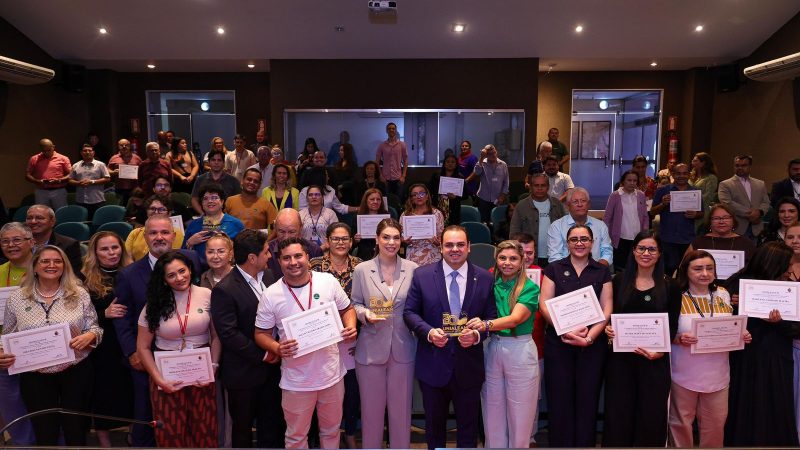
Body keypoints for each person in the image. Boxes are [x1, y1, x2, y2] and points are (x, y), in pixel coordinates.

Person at [254, 237, 358, 449]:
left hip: (331, 376)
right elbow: (260, 334)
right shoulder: (271, 295)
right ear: (279, 262)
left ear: (308, 257)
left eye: (298, 256)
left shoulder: (327, 282)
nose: (293, 262)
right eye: (286, 258)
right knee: (296, 437)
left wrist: (350, 325)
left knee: (331, 431)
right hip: (296, 381)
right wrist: (277, 348)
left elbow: (347, 309)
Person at [403, 225, 496, 449]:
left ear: (469, 247)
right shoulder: (422, 275)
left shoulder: (484, 278)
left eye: (460, 244)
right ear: (441, 248)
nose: (455, 249)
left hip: (469, 366)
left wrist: (476, 335)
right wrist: (428, 332)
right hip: (433, 364)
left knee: (468, 430)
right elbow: (409, 313)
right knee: (434, 430)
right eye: (449, 245)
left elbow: (492, 317)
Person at [113, 215, 202, 447]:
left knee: (189, 415)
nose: (159, 237)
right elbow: (122, 317)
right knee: (146, 414)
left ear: (174, 235)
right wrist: (132, 352)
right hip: (147, 357)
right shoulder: (128, 274)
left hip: (189, 355)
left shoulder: (191, 259)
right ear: (145, 237)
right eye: (153, 233)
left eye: (164, 232)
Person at [0, 246, 102, 446]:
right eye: (45, 261)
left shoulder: (79, 294)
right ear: (35, 266)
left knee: (76, 429)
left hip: (76, 370)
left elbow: (95, 328)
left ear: (65, 266)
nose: (52, 265)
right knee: (44, 430)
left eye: (57, 261)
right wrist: (2, 352)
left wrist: (90, 336)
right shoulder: (17, 298)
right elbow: (7, 334)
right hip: (35, 375)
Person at [602, 230, 680, 447]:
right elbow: (610, 315)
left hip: (654, 361)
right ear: (634, 251)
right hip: (621, 361)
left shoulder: (671, 286)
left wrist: (661, 351)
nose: (646, 253)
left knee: (651, 415)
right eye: (641, 248)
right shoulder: (618, 281)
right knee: (619, 413)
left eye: (652, 249)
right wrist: (608, 329)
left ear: (660, 253)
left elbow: (672, 324)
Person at [136, 251, 220, 448]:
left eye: (182, 271)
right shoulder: (153, 304)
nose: (179, 278)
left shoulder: (207, 295)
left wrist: (213, 367)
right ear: (164, 280)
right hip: (166, 374)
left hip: (202, 372)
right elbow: (142, 347)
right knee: (170, 432)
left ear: (190, 269)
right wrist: (158, 379)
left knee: (204, 429)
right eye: (171, 275)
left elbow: (216, 337)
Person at [669, 250, 751, 448]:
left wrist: (741, 334)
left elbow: (730, 325)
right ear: (686, 271)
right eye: (698, 269)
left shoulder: (723, 293)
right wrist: (678, 339)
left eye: (709, 268)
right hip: (683, 373)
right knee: (680, 423)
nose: (705, 273)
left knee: (715, 424)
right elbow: (665, 331)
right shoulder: (676, 296)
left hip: (718, 374)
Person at [539, 224, 612, 447]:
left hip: (592, 346)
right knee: (559, 398)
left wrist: (589, 338)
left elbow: (607, 307)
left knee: (587, 398)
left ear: (592, 242)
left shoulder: (602, 271)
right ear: (567, 243)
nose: (579, 243)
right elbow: (544, 304)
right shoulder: (553, 269)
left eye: (584, 239)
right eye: (574, 239)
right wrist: (566, 330)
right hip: (559, 344)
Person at [210, 229, 283, 448]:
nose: (270, 256)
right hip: (243, 373)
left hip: (273, 370)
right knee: (242, 430)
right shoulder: (224, 289)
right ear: (252, 258)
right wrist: (263, 354)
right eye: (266, 252)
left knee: (272, 426)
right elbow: (229, 333)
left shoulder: (270, 276)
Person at [350, 218, 418, 448]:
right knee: (371, 414)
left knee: (401, 414)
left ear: (402, 240)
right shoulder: (361, 269)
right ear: (377, 239)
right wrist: (365, 314)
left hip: (403, 348)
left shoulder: (413, 269)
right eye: (386, 237)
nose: (391, 242)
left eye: (396, 238)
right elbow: (355, 303)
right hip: (370, 349)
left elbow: (417, 306)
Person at [723, 241, 798, 447]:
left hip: (777, 354)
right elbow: (719, 318)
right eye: (788, 264)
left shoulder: (790, 288)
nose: (790, 269)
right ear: (774, 264)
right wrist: (731, 304)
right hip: (745, 355)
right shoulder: (737, 283)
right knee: (744, 400)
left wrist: (779, 322)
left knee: (775, 402)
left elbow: (797, 329)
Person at [466, 240, 540, 448]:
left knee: (521, 413)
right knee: (492, 410)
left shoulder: (529, 287)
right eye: (503, 258)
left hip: (519, 349)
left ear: (522, 260)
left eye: (513, 258)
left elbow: (515, 319)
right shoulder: (489, 284)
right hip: (492, 346)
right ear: (496, 259)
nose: (507, 262)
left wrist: (485, 324)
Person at [310, 223, 364, 449]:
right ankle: (318, 436)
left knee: (352, 392)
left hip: (353, 337)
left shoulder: (361, 266)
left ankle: (350, 432)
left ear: (351, 242)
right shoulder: (314, 266)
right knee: (321, 391)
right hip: (321, 340)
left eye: (344, 239)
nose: (340, 243)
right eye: (336, 238)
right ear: (328, 241)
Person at [81, 231, 134, 448]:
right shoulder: (83, 279)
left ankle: (132, 434)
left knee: (131, 390)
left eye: (115, 247)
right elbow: (78, 317)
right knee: (102, 393)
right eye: (104, 249)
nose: (111, 252)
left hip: (129, 340)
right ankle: (104, 441)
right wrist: (104, 314)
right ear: (95, 253)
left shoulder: (133, 272)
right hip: (102, 345)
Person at [0, 223, 36, 446]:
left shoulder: (46, 267)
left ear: (31, 242)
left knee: (48, 411)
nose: (11, 245)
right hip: (5, 356)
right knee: (14, 412)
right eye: (5, 241)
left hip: (41, 353)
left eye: (16, 240)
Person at [651, 163, 703, 275]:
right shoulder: (662, 190)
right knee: (667, 271)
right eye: (678, 173)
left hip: (687, 238)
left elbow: (701, 213)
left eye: (684, 173)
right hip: (667, 238)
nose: (681, 176)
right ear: (673, 174)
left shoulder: (695, 191)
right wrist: (663, 204)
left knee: (686, 271)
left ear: (689, 174)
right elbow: (652, 212)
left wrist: (695, 214)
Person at [511, 172, 567, 267]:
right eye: (536, 185)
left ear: (548, 187)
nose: (540, 188)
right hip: (528, 257)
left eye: (543, 185)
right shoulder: (521, 206)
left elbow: (565, 230)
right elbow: (514, 233)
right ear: (531, 187)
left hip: (555, 256)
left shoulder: (557, 205)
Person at [547, 187, 613, 266]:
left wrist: (596, 269)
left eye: (583, 201)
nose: (580, 204)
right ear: (568, 205)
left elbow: (607, 252)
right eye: (575, 201)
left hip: (596, 270)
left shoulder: (601, 226)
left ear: (589, 204)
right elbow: (555, 257)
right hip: (566, 271)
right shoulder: (557, 226)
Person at [184, 183, 245, 266]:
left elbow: (244, 253)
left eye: (214, 197)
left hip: (227, 270)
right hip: (199, 270)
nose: (210, 201)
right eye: (205, 198)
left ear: (222, 201)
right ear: (201, 203)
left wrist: (228, 243)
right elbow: (182, 254)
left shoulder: (236, 224)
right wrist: (189, 243)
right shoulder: (193, 225)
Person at [603, 169, 650, 271]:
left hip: (638, 238)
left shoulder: (641, 195)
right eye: (629, 180)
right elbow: (607, 217)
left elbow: (645, 216)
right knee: (620, 267)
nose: (632, 183)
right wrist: (605, 236)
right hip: (620, 238)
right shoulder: (615, 195)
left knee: (636, 267)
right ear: (623, 181)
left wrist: (645, 232)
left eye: (634, 181)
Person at [685, 203, 757, 267]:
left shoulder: (746, 243)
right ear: (710, 222)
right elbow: (684, 267)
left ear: (733, 221)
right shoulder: (698, 242)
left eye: (726, 218)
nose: (721, 222)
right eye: (716, 218)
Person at [717, 155, 770, 240]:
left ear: (750, 167)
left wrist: (759, 212)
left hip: (756, 228)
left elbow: (766, 202)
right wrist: (751, 214)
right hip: (737, 227)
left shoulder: (760, 184)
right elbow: (727, 203)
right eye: (737, 165)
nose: (740, 168)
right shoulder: (725, 184)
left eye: (744, 165)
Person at [25, 204, 83, 275]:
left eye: (39, 218)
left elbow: (74, 275)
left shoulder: (68, 245)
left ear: (52, 221)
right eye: (29, 218)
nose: (33, 221)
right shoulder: (20, 243)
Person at [267, 209, 324, 277]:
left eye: (292, 232)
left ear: (301, 228)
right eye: (281, 232)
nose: (286, 237)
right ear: (275, 229)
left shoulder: (314, 250)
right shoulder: (267, 251)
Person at [125, 195, 185, 260]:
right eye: (152, 209)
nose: (156, 212)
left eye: (161, 209)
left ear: (169, 213)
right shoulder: (135, 233)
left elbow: (174, 257)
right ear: (147, 212)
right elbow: (127, 259)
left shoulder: (176, 233)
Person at [401, 183, 445, 266]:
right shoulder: (405, 215)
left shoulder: (437, 214)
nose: (418, 196)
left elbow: (442, 238)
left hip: (432, 254)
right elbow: (401, 237)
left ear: (427, 196)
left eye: (421, 193)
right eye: (414, 195)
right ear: (411, 199)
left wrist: (438, 242)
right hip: (412, 254)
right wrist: (404, 241)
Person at [466, 144, 509, 225]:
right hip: (483, 198)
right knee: (483, 222)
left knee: (497, 223)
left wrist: (503, 195)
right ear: (486, 155)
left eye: (494, 153)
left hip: (498, 198)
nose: (493, 155)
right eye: (490, 154)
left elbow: (506, 182)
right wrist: (481, 158)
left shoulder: (503, 165)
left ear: (496, 152)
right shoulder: (482, 163)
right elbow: (477, 172)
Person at [25, 138, 71, 210]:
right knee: (41, 212)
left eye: (49, 150)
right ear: (40, 149)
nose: (46, 153)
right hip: (41, 191)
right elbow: (27, 175)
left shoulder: (63, 158)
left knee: (61, 212)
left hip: (58, 191)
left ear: (53, 147)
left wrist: (59, 180)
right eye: (44, 151)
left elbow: (71, 174)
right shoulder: (34, 159)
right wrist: (36, 181)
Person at [192, 148, 242, 215]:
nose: (216, 162)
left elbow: (239, 202)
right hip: (205, 216)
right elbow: (194, 200)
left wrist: (226, 216)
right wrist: (203, 214)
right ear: (209, 162)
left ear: (223, 163)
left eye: (219, 160)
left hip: (227, 217)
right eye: (213, 160)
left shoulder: (233, 181)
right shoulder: (200, 179)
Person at [68, 142, 111, 218]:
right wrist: (78, 183)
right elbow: (70, 180)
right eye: (85, 151)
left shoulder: (100, 165)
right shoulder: (75, 165)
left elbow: (107, 179)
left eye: (90, 150)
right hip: (81, 200)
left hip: (97, 200)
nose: (87, 152)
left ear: (93, 153)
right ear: (81, 153)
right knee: (82, 221)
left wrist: (92, 182)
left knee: (98, 221)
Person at [352, 188, 390, 260]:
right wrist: (355, 240)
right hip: (364, 254)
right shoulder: (357, 218)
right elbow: (351, 243)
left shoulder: (387, 216)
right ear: (366, 201)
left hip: (384, 252)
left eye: (378, 199)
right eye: (372, 199)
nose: (375, 202)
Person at [299, 185, 339, 250]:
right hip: (305, 251)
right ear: (307, 198)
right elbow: (297, 235)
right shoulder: (300, 214)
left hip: (326, 251)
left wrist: (322, 248)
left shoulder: (330, 214)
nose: (314, 197)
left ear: (322, 197)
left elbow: (336, 234)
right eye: (310, 195)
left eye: (317, 194)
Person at [429, 153, 464, 226]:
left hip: (454, 208)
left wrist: (456, 197)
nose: (450, 164)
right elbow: (429, 190)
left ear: (456, 164)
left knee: (452, 228)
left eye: (453, 162)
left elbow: (465, 194)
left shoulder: (460, 177)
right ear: (444, 163)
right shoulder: (436, 175)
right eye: (448, 162)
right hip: (438, 206)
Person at [375, 122, 409, 199]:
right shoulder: (382, 145)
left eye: (393, 128)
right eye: (389, 128)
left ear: (396, 130)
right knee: (387, 201)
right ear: (386, 131)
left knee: (399, 201)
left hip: (398, 179)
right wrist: (380, 176)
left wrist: (403, 176)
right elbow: (377, 162)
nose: (391, 130)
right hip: (385, 179)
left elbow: (406, 161)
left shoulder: (402, 145)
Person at [108, 138, 143, 207]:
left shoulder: (137, 158)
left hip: (134, 188)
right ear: (118, 146)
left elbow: (142, 170)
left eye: (126, 145)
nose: (124, 147)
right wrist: (113, 172)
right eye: (121, 145)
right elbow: (107, 169)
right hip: (119, 188)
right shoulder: (114, 158)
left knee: (133, 207)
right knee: (120, 207)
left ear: (129, 146)